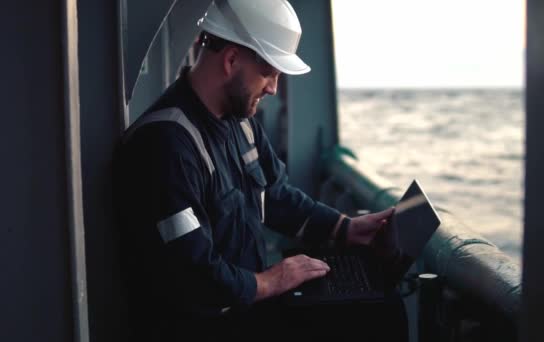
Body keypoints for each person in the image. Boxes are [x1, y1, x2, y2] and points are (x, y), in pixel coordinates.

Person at [113, 0, 404, 341]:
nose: (273, 88)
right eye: (269, 72)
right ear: (231, 59)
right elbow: (193, 275)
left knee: (381, 306)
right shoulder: (165, 146)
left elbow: (274, 195)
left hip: (247, 309)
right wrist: (272, 281)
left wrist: (345, 228)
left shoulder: (240, 121)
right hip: (206, 327)